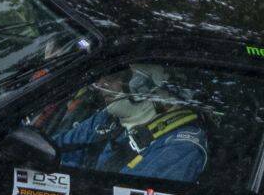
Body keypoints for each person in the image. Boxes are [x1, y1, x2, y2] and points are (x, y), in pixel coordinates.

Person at [40, 64, 210, 182]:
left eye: (113, 78)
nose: (100, 85)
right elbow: (51, 150)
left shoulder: (181, 146)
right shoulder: (108, 118)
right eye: (101, 78)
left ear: (149, 83)